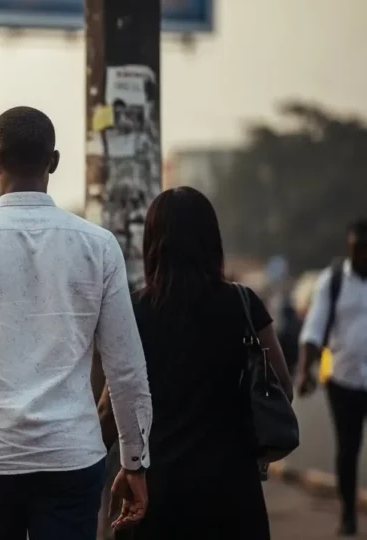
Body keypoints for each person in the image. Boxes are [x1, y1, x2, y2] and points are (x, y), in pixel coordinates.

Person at [0, 106, 152, 540]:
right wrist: (135, 460)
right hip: (72, 457)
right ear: (53, 162)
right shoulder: (99, 247)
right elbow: (126, 369)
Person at [98, 187, 292, 540]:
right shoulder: (243, 304)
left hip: (156, 492)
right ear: (212, 241)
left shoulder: (134, 312)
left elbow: (111, 412)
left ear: (153, 243)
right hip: (232, 492)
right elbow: (281, 385)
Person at [296, 218, 367, 536]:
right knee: (347, 448)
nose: (361, 255)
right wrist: (304, 370)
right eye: (356, 249)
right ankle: (348, 514)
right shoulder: (333, 281)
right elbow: (314, 329)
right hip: (344, 379)